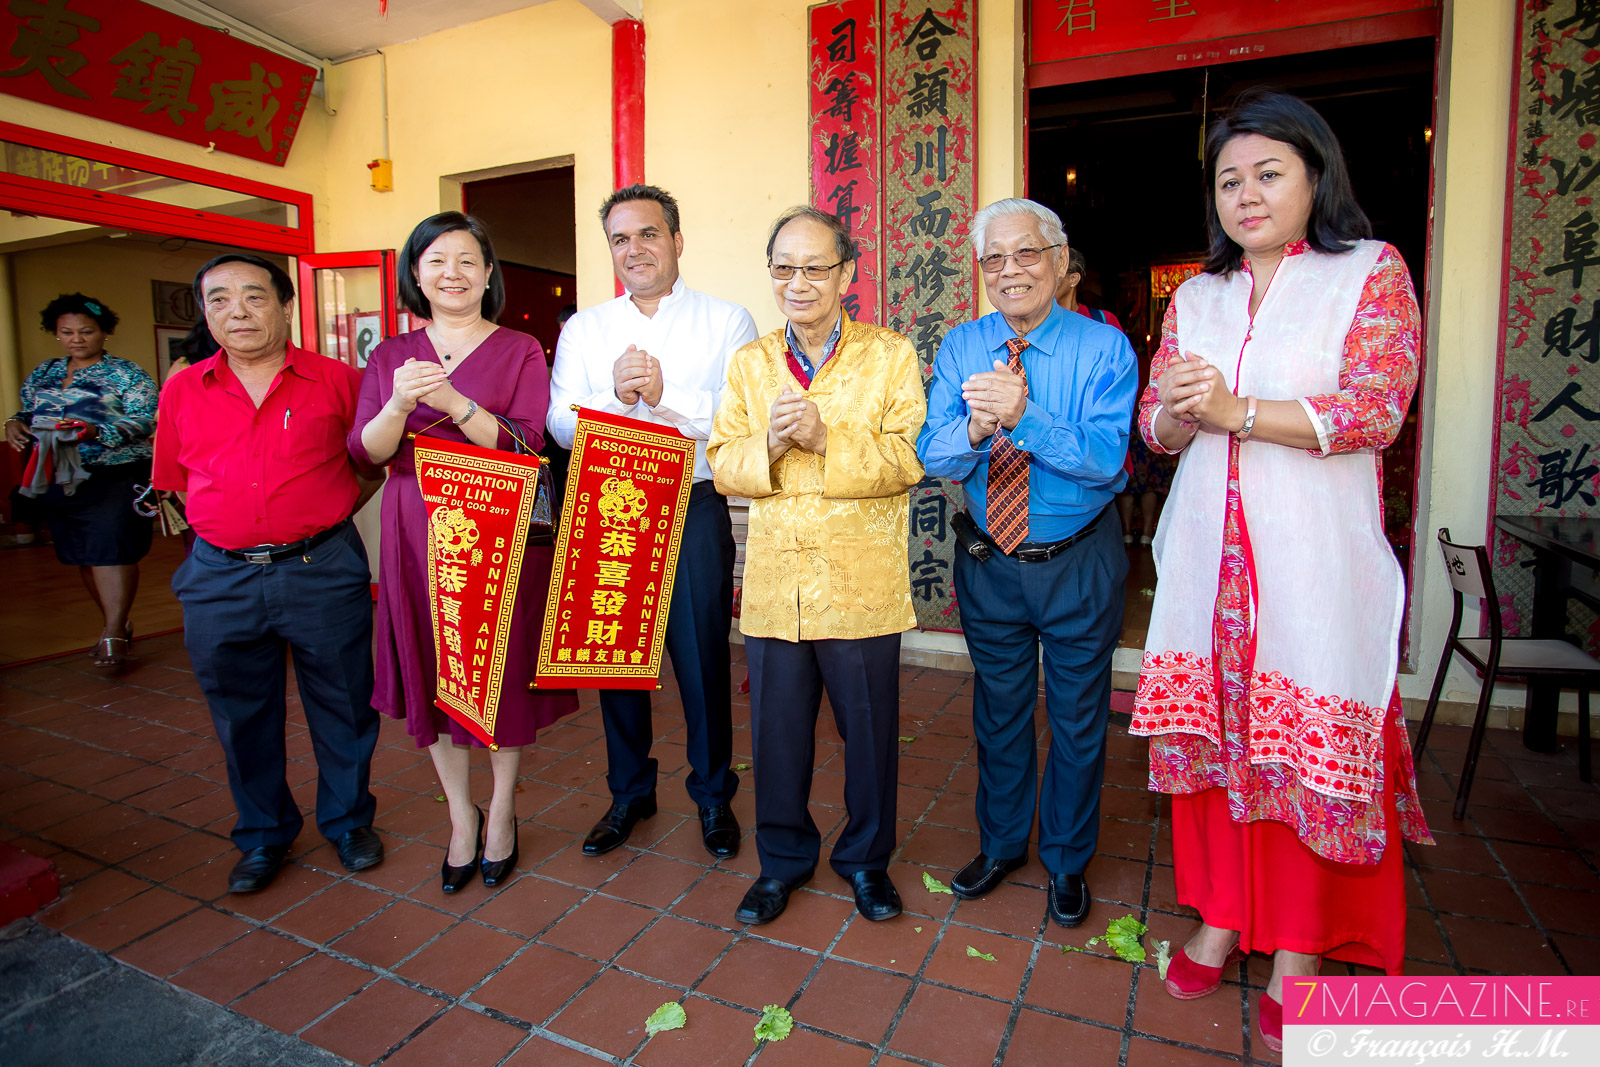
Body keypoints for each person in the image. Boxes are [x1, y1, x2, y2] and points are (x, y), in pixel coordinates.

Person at [1128, 89, 1432, 1053]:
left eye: (1268, 174)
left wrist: (1239, 412)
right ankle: (1222, 916)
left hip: (1310, 564)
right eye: (1229, 180)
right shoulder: (1199, 297)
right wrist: (1175, 414)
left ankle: (1298, 947)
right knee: (1219, 745)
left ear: (1315, 177)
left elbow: (1377, 410)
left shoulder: (1368, 274)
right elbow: (1160, 426)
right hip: (1207, 570)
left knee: (1299, 746)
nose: (1246, 195)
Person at [917, 199, 1136, 929]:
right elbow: (933, 454)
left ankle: (1067, 859)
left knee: (1077, 718)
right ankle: (1004, 841)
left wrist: (1024, 415)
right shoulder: (961, 346)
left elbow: (1108, 465)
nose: (1009, 271)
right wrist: (976, 427)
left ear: (1059, 261)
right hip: (990, 560)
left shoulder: (1103, 349)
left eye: (1026, 254)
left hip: (1078, 561)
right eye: (993, 259)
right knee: (999, 712)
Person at [708, 207, 924, 924]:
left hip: (860, 583)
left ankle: (866, 860)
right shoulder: (749, 363)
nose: (798, 282)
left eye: (814, 267)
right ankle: (782, 861)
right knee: (776, 734)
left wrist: (829, 438)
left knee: (867, 734)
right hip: (776, 583)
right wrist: (766, 447)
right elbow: (721, 462)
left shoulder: (890, 355)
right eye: (784, 268)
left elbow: (907, 460)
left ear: (847, 272)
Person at [352, 212, 578, 893]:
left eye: (465, 260)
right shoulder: (390, 354)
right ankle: (460, 815)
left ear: (487, 274)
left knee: (496, 670)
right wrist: (396, 405)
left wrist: (450, 400)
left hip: (496, 524)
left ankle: (503, 810)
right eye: (435, 260)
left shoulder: (521, 349)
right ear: (415, 274)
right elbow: (366, 451)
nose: (450, 272)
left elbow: (528, 444)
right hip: (415, 525)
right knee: (432, 664)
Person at [154, 253, 384, 894]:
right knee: (240, 713)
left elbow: (368, 466)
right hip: (219, 577)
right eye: (220, 300)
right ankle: (262, 835)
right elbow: (172, 483)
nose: (238, 312)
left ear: (286, 307)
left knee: (342, 703)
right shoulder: (183, 388)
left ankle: (347, 821)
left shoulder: (338, 381)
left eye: (254, 298)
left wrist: (321, 520)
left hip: (320, 567)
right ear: (206, 313)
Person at [548, 184, 757, 861]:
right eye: (620, 239)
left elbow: (738, 416)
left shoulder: (727, 320)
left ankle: (713, 795)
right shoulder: (585, 328)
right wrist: (611, 393)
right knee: (614, 660)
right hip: (608, 507)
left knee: (701, 662)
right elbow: (558, 421)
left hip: (691, 505)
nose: (634, 249)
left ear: (676, 239)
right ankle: (630, 792)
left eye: (647, 234)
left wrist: (666, 397)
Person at [5, 294, 157, 668]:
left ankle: (113, 633)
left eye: (87, 331)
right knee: (84, 556)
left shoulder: (126, 374)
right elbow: (29, 409)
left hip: (115, 473)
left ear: (104, 332)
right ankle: (116, 622)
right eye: (67, 332)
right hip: (60, 473)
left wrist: (97, 431)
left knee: (111, 550)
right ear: (55, 334)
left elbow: (149, 419)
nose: (77, 339)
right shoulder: (45, 373)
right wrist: (13, 421)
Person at [1054, 246, 1123, 329]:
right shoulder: (1038, 322)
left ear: (1073, 279)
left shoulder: (1104, 321)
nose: (1046, 283)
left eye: (1053, 277)